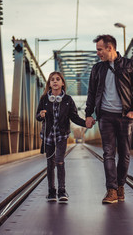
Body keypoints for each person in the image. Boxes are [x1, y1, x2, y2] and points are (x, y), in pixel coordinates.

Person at [85, 34, 133, 204]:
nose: (97, 53)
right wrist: (89, 114)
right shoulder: (97, 69)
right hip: (105, 116)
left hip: (125, 116)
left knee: (124, 154)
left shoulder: (129, 65)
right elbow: (91, 92)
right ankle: (111, 190)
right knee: (108, 154)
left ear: (110, 48)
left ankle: (120, 186)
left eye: (99, 50)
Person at [36, 71, 86, 202]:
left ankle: (62, 191)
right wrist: (40, 115)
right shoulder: (44, 99)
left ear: (62, 83)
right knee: (50, 163)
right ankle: (51, 192)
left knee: (59, 161)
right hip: (48, 136)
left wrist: (86, 122)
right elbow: (37, 116)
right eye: (52, 79)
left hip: (61, 135)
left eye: (58, 79)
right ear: (49, 83)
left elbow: (74, 117)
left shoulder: (68, 100)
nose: (55, 81)